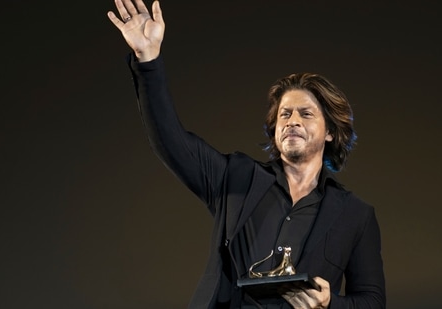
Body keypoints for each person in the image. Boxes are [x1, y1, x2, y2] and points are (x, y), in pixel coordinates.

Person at [107, 1, 386, 308]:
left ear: (330, 132)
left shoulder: (355, 215)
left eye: (306, 114)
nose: (292, 120)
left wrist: (330, 302)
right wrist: (149, 61)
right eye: (285, 114)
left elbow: (372, 301)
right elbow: (170, 140)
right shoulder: (236, 178)